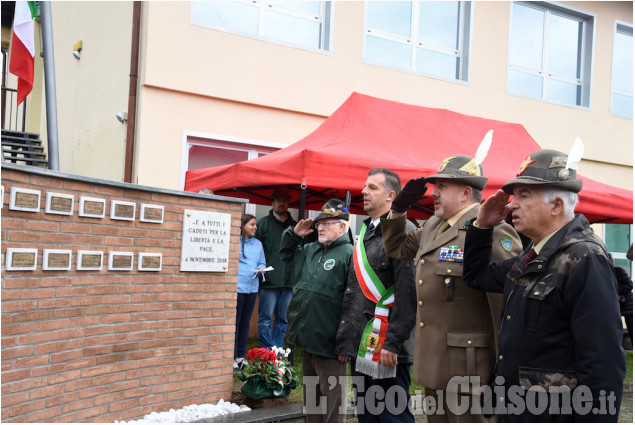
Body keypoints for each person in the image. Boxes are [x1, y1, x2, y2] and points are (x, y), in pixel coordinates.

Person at [462, 148, 626, 421]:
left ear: (556, 206)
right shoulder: (534, 257)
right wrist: (481, 226)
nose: (511, 204)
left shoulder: (584, 259)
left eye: (524, 195)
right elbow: (476, 277)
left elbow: (602, 365)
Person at [381, 155, 522, 422]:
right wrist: (398, 210)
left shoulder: (492, 231)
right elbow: (397, 247)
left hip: (470, 369)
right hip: (433, 362)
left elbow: (504, 305)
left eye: (443, 186)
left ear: (466, 193)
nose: (434, 192)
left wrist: (502, 369)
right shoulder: (433, 225)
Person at [335, 168, 417, 422]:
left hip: (388, 348)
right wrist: (345, 340)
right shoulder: (367, 232)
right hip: (363, 343)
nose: (363, 191)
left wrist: (393, 343)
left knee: (392, 416)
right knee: (368, 415)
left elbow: (408, 293)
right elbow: (354, 293)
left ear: (391, 195)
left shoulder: (403, 232)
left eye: (372, 187)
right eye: (365, 186)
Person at [281, 199, 353, 422]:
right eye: (319, 222)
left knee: (333, 404)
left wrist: (345, 342)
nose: (320, 227)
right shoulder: (311, 250)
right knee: (312, 402)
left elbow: (354, 303)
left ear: (342, 227)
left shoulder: (350, 254)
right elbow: (285, 254)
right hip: (308, 340)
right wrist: (294, 234)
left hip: (331, 344)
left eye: (327, 223)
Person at [256, 187, 297, 349]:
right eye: (279, 200)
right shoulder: (263, 224)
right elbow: (255, 250)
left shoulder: (295, 226)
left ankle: (277, 351)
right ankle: (266, 353)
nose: (282, 203)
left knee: (283, 319)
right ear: (272, 202)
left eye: (285, 200)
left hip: (289, 281)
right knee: (265, 319)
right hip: (269, 281)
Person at [233, 214, 266, 371]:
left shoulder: (258, 244)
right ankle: (231, 356)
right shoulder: (234, 241)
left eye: (256, 225)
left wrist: (261, 268)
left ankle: (240, 356)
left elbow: (262, 261)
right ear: (243, 225)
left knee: (245, 322)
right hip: (238, 287)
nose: (255, 227)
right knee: (236, 322)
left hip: (252, 288)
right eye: (252, 224)